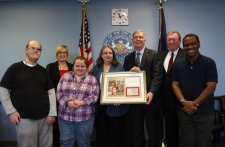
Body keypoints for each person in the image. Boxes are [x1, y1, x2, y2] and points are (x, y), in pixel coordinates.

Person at [0, 40, 57, 147]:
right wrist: (11, 111)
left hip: (45, 118)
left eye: (38, 49)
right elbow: (3, 90)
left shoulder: (43, 71)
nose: (36, 51)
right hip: (24, 118)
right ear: (26, 50)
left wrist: (52, 113)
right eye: (33, 48)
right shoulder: (14, 68)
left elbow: (51, 92)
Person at [172, 33, 218, 147]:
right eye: (187, 45)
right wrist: (184, 102)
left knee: (203, 143)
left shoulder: (209, 63)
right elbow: (175, 85)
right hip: (184, 112)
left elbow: (211, 86)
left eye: (193, 44)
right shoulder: (178, 64)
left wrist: (193, 104)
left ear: (199, 45)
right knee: (188, 143)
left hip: (205, 112)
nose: (190, 47)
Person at [123, 30, 162, 147]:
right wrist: (129, 73)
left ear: (145, 39)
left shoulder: (154, 55)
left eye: (140, 37)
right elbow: (125, 77)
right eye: (136, 37)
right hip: (134, 101)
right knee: (136, 130)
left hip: (150, 99)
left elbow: (158, 76)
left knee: (152, 130)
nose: (138, 39)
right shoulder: (128, 57)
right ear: (132, 40)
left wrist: (151, 92)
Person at [56, 56, 99, 147]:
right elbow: (59, 93)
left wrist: (82, 102)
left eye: (82, 66)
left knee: (84, 143)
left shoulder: (92, 79)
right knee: (65, 143)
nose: (80, 68)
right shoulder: (65, 77)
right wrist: (68, 102)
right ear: (73, 66)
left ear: (86, 67)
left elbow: (95, 96)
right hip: (65, 118)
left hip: (85, 119)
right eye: (77, 66)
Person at [92, 45, 129, 147]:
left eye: (110, 53)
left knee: (115, 133)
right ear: (101, 55)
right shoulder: (96, 68)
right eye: (105, 53)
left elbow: (124, 85)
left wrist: (119, 98)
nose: (108, 55)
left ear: (113, 55)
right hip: (100, 105)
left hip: (115, 105)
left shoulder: (119, 67)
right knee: (101, 132)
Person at [159, 30, 185, 147]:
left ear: (179, 41)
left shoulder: (186, 54)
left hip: (183, 100)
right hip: (166, 101)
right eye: (168, 39)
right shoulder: (160, 55)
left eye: (173, 39)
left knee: (185, 130)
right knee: (170, 130)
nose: (170, 41)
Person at [46, 44, 73, 147]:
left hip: (70, 101)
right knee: (56, 126)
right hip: (55, 101)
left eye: (64, 52)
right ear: (56, 55)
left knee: (68, 125)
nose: (62, 55)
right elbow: (48, 85)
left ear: (67, 54)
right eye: (59, 53)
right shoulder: (50, 66)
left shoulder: (72, 66)